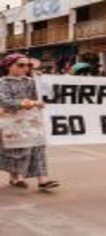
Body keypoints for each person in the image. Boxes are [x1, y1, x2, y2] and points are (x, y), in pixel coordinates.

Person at [0, 53, 60, 190]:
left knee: (38, 148)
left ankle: (43, 180)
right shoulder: (2, 83)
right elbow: (5, 101)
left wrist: (42, 81)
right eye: (21, 65)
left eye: (28, 65)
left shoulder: (31, 81)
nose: (25, 67)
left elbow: (48, 94)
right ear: (9, 66)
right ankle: (15, 177)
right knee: (17, 152)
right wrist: (31, 103)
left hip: (32, 121)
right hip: (12, 123)